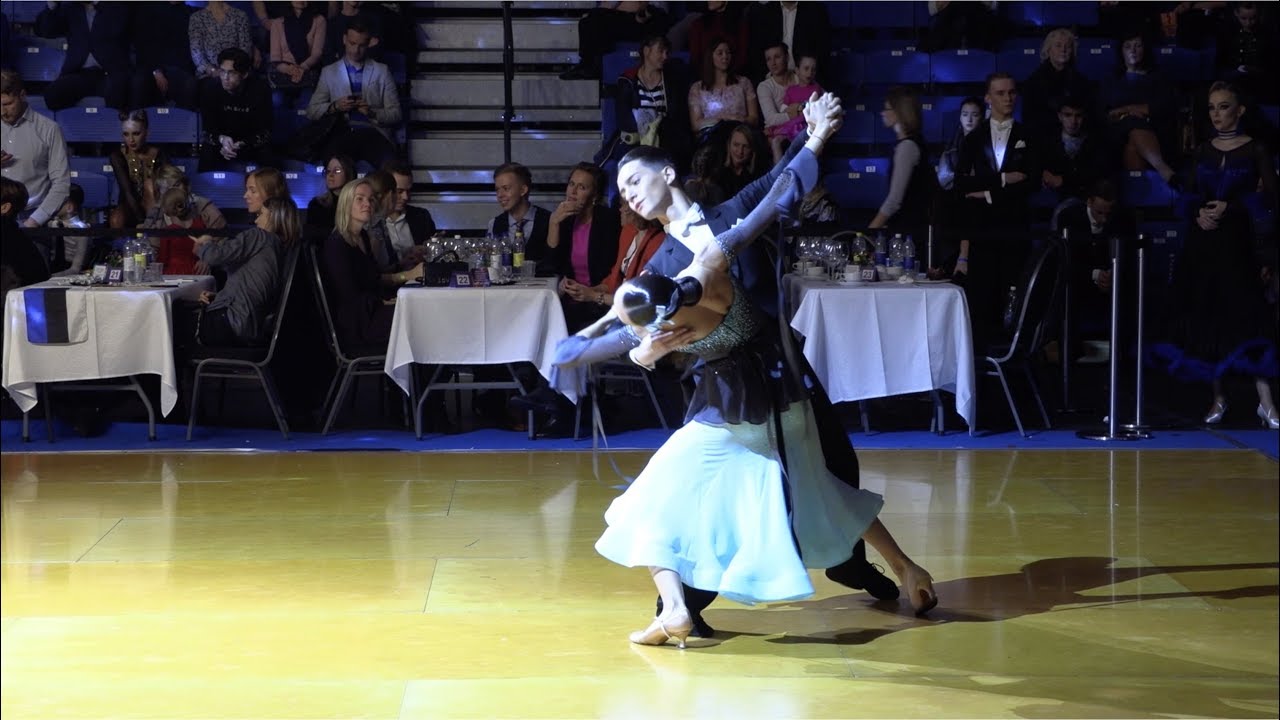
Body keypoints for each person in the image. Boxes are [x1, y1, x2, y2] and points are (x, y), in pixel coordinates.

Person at [555, 95, 937, 645]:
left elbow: (784, 181)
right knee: (785, 486)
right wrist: (644, 351)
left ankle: (860, 567)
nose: (629, 195)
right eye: (623, 192)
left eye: (636, 181)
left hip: (779, 370)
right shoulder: (661, 262)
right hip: (729, 386)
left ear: (668, 173)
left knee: (827, 476)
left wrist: (818, 133)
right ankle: (682, 605)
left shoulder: (728, 217)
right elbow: (646, 333)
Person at [1152, 82, 1278, 428]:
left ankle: (1266, 402)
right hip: (1203, 243)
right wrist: (1198, 214)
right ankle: (1218, 398)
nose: (1217, 114)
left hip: (1238, 244)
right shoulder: (1203, 150)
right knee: (1209, 320)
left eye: (1224, 107)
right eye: (1211, 108)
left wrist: (1232, 207)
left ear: (1239, 110)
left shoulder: (1255, 149)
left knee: (1249, 320)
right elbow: (1189, 194)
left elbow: (1270, 198)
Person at [179, 195, 301, 348]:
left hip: (229, 323)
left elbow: (215, 256)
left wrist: (205, 243)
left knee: (173, 320)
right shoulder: (282, 250)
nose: (256, 221)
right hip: (250, 328)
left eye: (260, 214)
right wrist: (219, 297)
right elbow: (255, 292)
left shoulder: (260, 236)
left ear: (274, 216)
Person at [319, 177, 422, 351]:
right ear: (346, 203)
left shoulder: (363, 237)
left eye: (370, 199)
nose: (367, 203)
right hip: (357, 323)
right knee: (417, 317)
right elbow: (348, 296)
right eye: (359, 199)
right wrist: (385, 301)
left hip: (370, 311)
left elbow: (373, 278)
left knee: (418, 312)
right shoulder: (337, 244)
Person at [306, 21, 401, 168]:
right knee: (334, 163)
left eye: (362, 45)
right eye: (352, 43)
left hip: (374, 133)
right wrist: (335, 106)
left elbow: (395, 114)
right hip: (342, 132)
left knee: (389, 166)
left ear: (369, 43)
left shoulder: (381, 71)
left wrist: (372, 113)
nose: (356, 50)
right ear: (344, 39)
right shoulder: (329, 72)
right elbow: (312, 111)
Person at [1, 70, 70, 266]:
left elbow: (62, 184)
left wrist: (34, 221)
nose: (2, 112)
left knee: (33, 290)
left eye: (7, 104)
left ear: (22, 95)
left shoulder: (49, 130)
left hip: (32, 223)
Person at [546, 162, 623, 332]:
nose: (573, 192)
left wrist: (589, 293)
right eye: (571, 184)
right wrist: (554, 223)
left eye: (582, 187)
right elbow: (553, 264)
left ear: (594, 195)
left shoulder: (608, 220)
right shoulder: (564, 218)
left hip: (599, 300)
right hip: (570, 300)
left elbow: (612, 268)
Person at [868, 86, 938, 242]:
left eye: (887, 109)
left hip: (911, 234)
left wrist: (870, 231)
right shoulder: (911, 144)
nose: (882, 113)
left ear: (900, 113)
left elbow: (894, 201)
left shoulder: (907, 147)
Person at [198, 48, 276, 172]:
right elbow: (207, 129)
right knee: (207, 152)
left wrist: (242, 144)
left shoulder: (260, 89)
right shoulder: (210, 88)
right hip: (221, 143)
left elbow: (265, 130)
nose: (225, 77)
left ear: (244, 74)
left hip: (249, 143)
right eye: (222, 71)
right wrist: (222, 140)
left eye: (232, 73)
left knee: (268, 154)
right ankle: (201, 190)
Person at [108, 110, 168, 229]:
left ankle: (154, 232)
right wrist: (141, 221)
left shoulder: (159, 154)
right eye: (126, 134)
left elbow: (166, 187)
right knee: (116, 219)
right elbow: (127, 191)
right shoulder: (117, 156)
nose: (131, 140)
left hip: (156, 205)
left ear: (146, 132)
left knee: (150, 184)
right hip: (129, 205)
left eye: (136, 133)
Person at [487, 162, 552, 271]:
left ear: (523, 190)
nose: (500, 195)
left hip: (540, 286)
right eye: (497, 189)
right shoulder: (494, 224)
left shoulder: (549, 220)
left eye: (506, 188)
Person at [763, 54, 821, 162]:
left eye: (813, 70)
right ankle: (778, 172)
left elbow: (809, 109)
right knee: (775, 142)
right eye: (806, 69)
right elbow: (783, 109)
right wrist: (794, 109)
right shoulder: (791, 89)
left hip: (803, 125)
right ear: (797, 71)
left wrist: (796, 108)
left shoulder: (816, 88)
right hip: (789, 123)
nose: (809, 73)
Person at [381, 159, 437, 267]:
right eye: (399, 191)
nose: (405, 197)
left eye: (409, 191)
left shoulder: (421, 216)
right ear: (385, 190)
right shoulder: (371, 222)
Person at [305, 153, 356, 240]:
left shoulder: (358, 203)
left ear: (348, 174)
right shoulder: (317, 205)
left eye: (337, 171)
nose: (331, 175)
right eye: (328, 171)